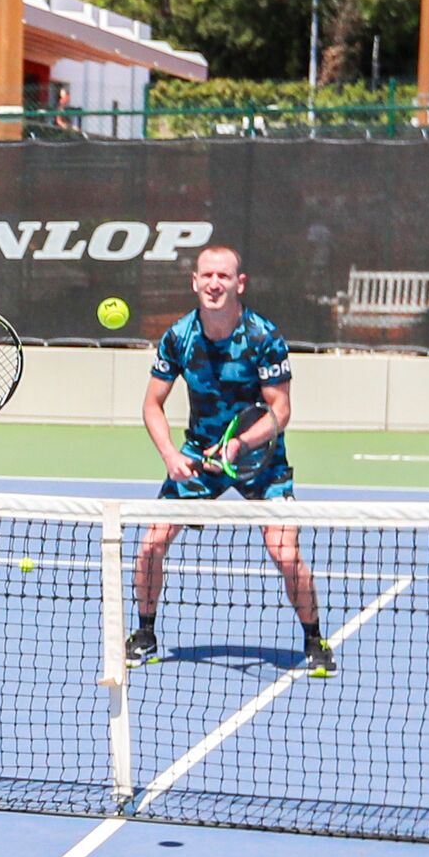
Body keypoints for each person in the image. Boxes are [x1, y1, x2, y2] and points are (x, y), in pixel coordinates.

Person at [128, 240, 331, 676]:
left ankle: (315, 639)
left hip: (261, 459)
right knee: (150, 546)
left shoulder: (263, 337)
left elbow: (280, 410)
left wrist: (239, 444)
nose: (214, 283)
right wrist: (169, 455)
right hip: (199, 457)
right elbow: (151, 405)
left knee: (285, 554)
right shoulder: (178, 337)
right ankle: (144, 632)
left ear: (239, 283)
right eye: (207, 275)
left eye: (224, 276)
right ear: (195, 281)